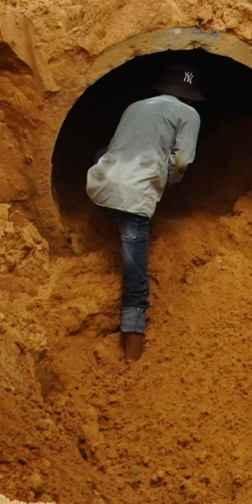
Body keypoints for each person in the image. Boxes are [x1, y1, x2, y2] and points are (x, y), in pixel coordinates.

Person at [84, 63, 205, 361]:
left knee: (106, 152)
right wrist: (169, 181)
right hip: (133, 199)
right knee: (136, 281)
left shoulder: (135, 106)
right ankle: (133, 358)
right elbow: (182, 162)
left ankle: (110, 209)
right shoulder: (189, 114)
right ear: (189, 97)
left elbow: (117, 144)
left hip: (99, 185)